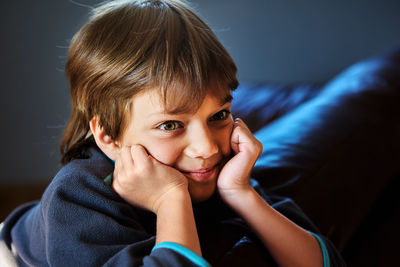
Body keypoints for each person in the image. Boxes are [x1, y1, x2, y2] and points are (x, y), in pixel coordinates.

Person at [0, 0, 344, 266]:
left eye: (219, 115)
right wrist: (170, 200)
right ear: (108, 136)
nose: (207, 147)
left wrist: (241, 194)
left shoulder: (220, 174)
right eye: (170, 125)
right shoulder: (78, 197)